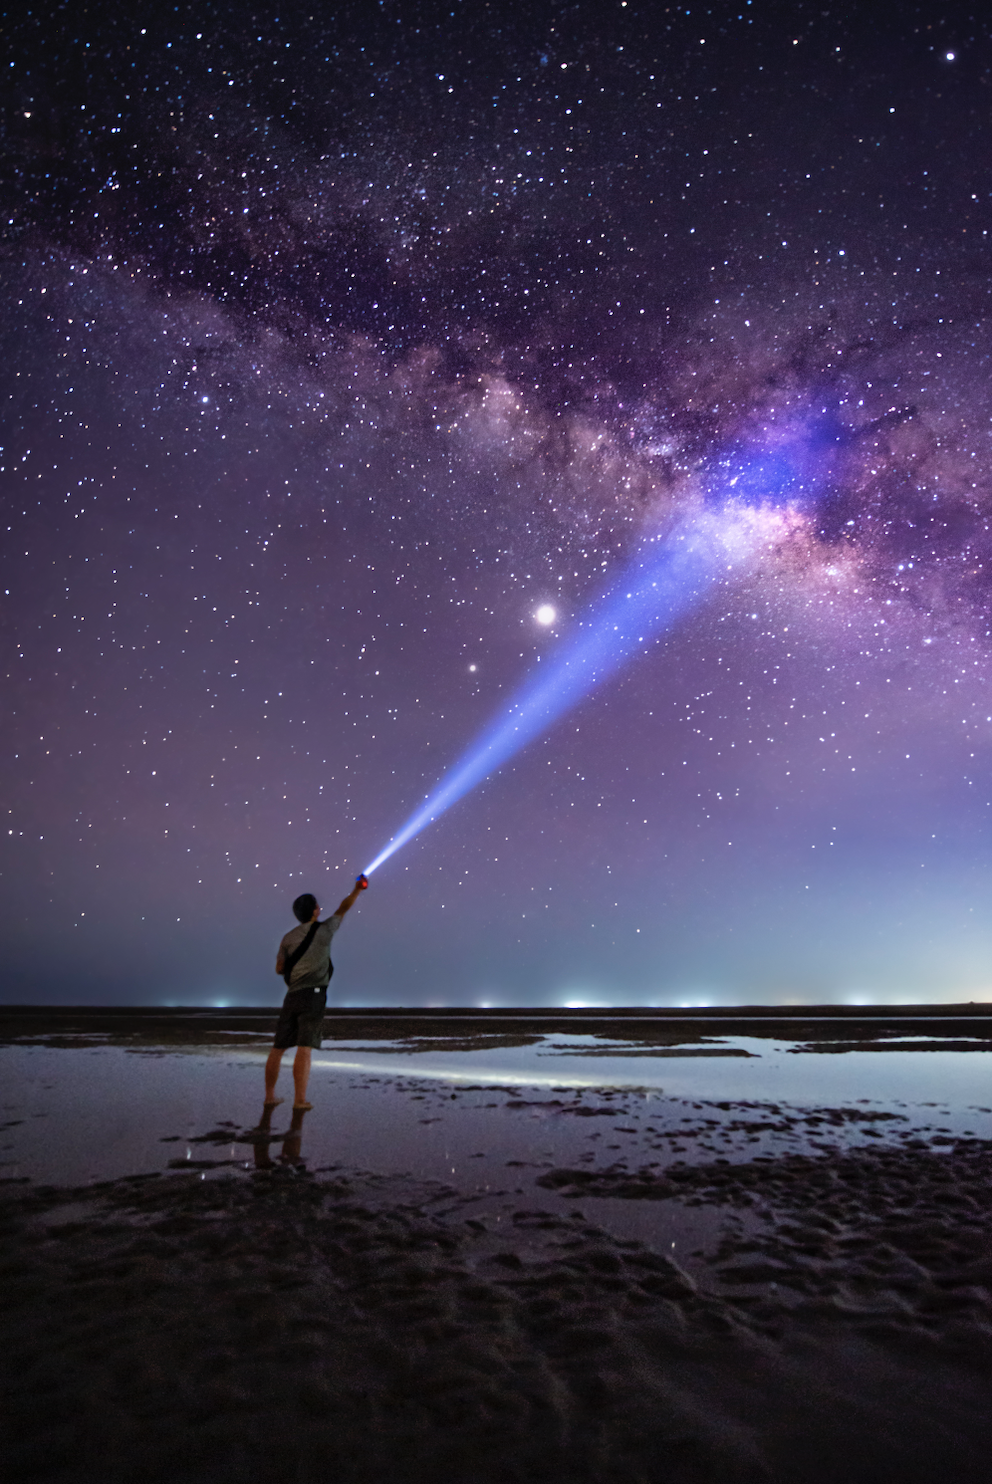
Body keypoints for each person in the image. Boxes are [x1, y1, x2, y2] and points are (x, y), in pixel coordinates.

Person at [264, 876, 368, 1110]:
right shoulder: (325, 929)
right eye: (318, 906)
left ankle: (269, 1096)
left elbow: (279, 968)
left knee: (278, 1048)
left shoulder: (287, 938)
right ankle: (299, 1100)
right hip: (314, 994)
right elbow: (344, 907)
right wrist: (357, 889)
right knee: (304, 1046)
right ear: (314, 911)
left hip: (292, 995)